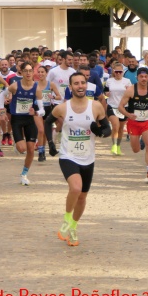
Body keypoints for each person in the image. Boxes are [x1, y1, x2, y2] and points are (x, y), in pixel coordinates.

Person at [44, 72, 111, 246]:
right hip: (68, 155)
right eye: (76, 83)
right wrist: (51, 144)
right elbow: (47, 122)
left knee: (82, 197)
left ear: (86, 86)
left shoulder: (96, 106)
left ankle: (73, 227)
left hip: (88, 158)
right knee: (75, 188)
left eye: (83, 83)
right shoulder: (63, 108)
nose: (80, 86)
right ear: (70, 87)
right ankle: (66, 219)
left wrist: (99, 132)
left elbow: (107, 129)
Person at [119, 67, 148, 183]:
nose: (144, 79)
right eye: (141, 77)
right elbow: (120, 106)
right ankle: (139, 142)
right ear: (137, 77)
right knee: (135, 150)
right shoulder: (130, 90)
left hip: (146, 122)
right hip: (133, 123)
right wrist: (128, 115)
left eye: (145, 77)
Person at [7, 63, 44, 185]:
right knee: (22, 148)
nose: (28, 73)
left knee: (31, 149)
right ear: (21, 72)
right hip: (17, 119)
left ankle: (24, 174)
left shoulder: (37, 88)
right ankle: (17, 143)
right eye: (25, 71)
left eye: (30, 70)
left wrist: (36, 112)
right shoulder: (15, 86)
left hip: (29, 120)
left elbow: (42, 110)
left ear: (33, 72)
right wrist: (2, 108)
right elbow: (2, 94)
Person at [36, 65, 61, 162]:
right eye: (39, 72)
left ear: (46, 73)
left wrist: (53, 97)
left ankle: (42, 151)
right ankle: (40, 151)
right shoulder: (34, 84)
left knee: (46, 132)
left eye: (42, 72)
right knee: (40, 131)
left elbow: (59, 96)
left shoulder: (51, 84)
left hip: (48, 109)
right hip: (38, 109)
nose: (40, 74)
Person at [106, 62, 132, 156]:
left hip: (123, 107)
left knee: (121, 129)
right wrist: (106, 94)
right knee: (115, 126)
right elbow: (105, 90)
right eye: (116, 72)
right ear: (113, 71)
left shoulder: (127, 81)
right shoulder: (109, 81)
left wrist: (128, 90)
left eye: (120, 72)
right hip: (112, 105)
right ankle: (113, 145)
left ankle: (118, 146)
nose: (118, 73)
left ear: (122, 72)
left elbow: (130, 94)